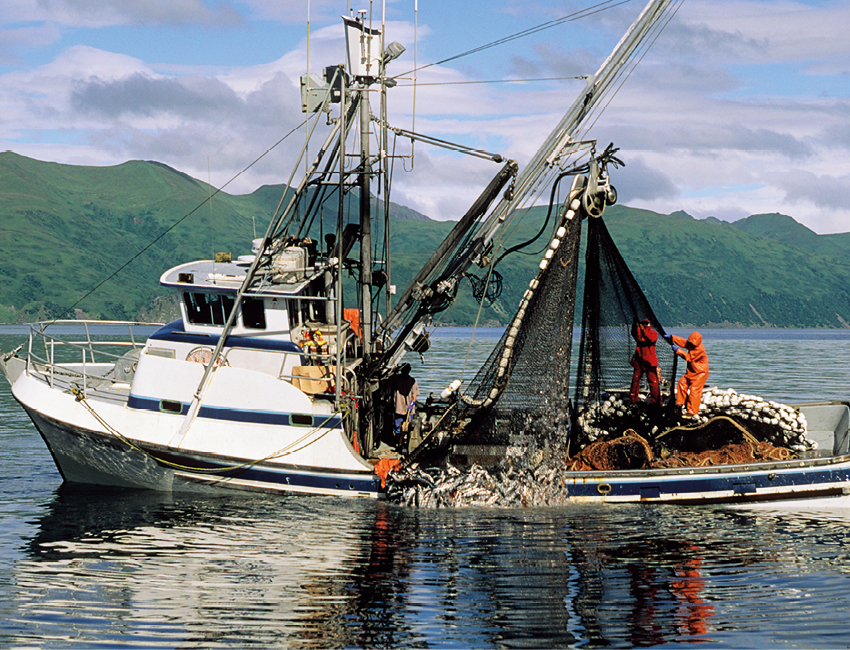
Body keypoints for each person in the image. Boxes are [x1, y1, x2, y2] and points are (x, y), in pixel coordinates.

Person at [665, 331, 709, 417]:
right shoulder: (692, 345)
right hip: (691, 372)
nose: (690, 344)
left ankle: (692, 412)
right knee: (682, 383)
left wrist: (678, 350)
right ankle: (680, 404)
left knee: (694, 391)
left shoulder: (699, 349)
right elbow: (684, 342)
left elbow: (689, 358)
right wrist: (673, 338)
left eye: (692, 343)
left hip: (700, 373)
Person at [630, 318, 661, 406]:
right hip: (639, 360)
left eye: (647, 324)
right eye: (643, 323)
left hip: (650, 361)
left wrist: (643, 330)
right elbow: (634, 333)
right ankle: (633, 400)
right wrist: (634, 325)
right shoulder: (639, 333)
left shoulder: (653, 333)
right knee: (635, 381)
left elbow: (651, 339)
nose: (645, 325)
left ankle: (656, 401)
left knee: (653, 382)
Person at [388, 363, 419, 446]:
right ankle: (403, 443)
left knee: (399, 428)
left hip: (399, 408)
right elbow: (414, 397)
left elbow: (389, 379)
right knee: (407, 428)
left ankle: (399, 443)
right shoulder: (413, 381)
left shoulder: (396, 379)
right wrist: (411, 405)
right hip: (407, 409)